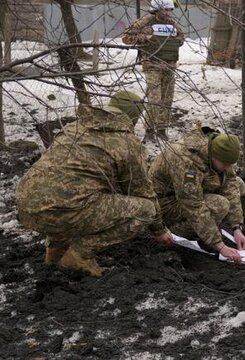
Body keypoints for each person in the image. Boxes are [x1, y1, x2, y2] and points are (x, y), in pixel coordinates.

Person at [16, 91, 174, 277]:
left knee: (68, 196)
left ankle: (55, 255)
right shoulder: (127, 143)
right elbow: (142, 192)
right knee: (145, 210)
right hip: (64, 211)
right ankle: (79, 255)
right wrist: (159, 230)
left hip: (26, 206)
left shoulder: (75, 127)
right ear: (135, 118)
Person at [148, 127, 245, 263]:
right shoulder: (187, 162)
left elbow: (229, 184)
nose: (228, 168)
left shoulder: (216, 150)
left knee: (238, 184)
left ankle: (208, 227)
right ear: (214, 156)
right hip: (164, 204)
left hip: (184, 193)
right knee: (220, 204)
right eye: (225, 164)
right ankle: (175, 233)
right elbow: (193, 204)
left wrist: (236, 227)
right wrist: (220, 245)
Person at [122, 0, 184, 142]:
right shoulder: (145, 22)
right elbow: (126, 38)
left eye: (170, 10)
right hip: (152, 65)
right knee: (155, 98)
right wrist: (144, 38)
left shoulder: (172, 24)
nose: (169, 13)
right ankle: (149, 131)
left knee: (167, 99)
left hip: (169, 65)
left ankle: (161, 130)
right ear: (157, 8)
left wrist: (173, 42)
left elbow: (181, 38)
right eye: (166, 10)